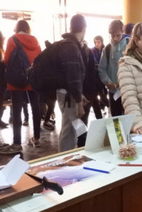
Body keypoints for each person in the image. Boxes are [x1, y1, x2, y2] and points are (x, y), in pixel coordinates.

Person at [1, 20, 42, 154]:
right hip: (32, 78)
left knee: (17, 111)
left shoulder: (12, 40)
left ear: (17, 28)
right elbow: (40, 59)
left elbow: (7, 59)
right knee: (35, 107)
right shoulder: (35, 41)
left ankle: (17, 143)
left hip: (16, 79)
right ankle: (36, 138)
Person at [57, 14, 87, 152]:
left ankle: (64, 157)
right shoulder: (71, 47)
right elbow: (74, 78)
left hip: (66, 93)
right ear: (84, 28)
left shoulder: (68, 44)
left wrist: (80, 96)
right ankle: (65, 161)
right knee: (69, 130)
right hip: (69, 95)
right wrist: (79, 102)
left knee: (69, 127)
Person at [98, 20, 130, 117]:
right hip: (114, 92)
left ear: (123, 32)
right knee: (116, 120)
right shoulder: (107, 49)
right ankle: (118, 133)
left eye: (118, 35)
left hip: (129, 90)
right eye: (113, 35)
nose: (115, 38)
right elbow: (102, 69)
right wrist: (108, 81)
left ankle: (130, 133)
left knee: (130, 118)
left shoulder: (130, 46)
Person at [91, 35, 108, 118]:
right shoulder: (92, 51)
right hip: (95, 78)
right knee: (99, 96)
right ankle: (101, 115)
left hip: (103, 77)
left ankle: (104, 108)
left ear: (102, 42)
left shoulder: (105, 50)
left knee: (103, 95)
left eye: (98, 42)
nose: (97, 44)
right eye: (96, 42)